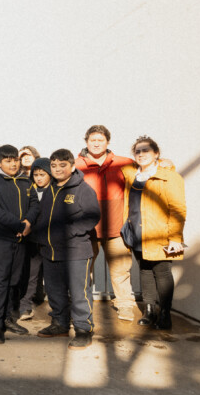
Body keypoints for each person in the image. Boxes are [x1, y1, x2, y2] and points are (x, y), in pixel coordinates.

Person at [33, 149, 101, 350]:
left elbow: (92, 217)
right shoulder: (50, 190)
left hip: (75, 251)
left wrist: (69, 232)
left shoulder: (82, 189)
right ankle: (60, 324)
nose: (58, 169)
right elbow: (42, 218)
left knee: (79, 293)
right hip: (50, 251)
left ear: (72, 166)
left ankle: (83, 330)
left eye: (62, 165)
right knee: (55, 292)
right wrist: (38, 235)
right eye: (54, 165)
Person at [121, 136, 187, 330]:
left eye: (146, 151)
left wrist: (175, 238)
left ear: (156, 153)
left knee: (162, 272)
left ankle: (165, 313)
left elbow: (178, 209)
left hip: (160, 234)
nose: (141, 154)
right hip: (137, 233)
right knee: (145, 271)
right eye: (138, 151)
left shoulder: (169, 176)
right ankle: (149, 311)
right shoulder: (131, 174)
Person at [74, 125, 136, 321]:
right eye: (92, 140)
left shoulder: (125, 163)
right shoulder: (75, 165)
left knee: (121, 271)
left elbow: (148, 171)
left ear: (108, 142)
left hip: (117, 228)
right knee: (83, 271)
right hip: (86, 230)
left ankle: (125, 305)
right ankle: (81, 307)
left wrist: (166, 163)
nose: (96, 143)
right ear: (86, 142)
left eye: (100, 139)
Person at [0, 145, 39, 344]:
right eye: (7, 160)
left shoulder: (25, 181)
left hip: (20, 239)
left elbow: (34, 204)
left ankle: (7, 318)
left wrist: (28, 223)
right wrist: (19, 224)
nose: (13, 163)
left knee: (15, 282)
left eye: (15, 159)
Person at [21, 157, 52, 319]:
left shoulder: (55, 189)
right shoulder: (29, 190)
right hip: (32, 240)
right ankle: (26, 305)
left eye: (42, 174)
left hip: (51, 240)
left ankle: (58, 307)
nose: (39, 178)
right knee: (31, 274)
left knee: (53, 275)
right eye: (36, 174)